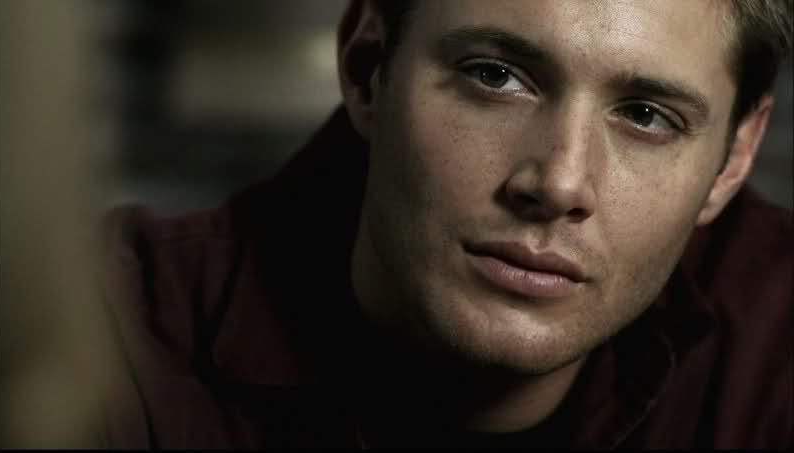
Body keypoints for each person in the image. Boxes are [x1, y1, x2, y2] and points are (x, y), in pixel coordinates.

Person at [100, 0, 793, 448]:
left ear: (734, 157)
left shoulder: (777, 352)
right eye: (495, 76)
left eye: (646, 116)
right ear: (368, 68)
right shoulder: (110, 336)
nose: (558, 183)